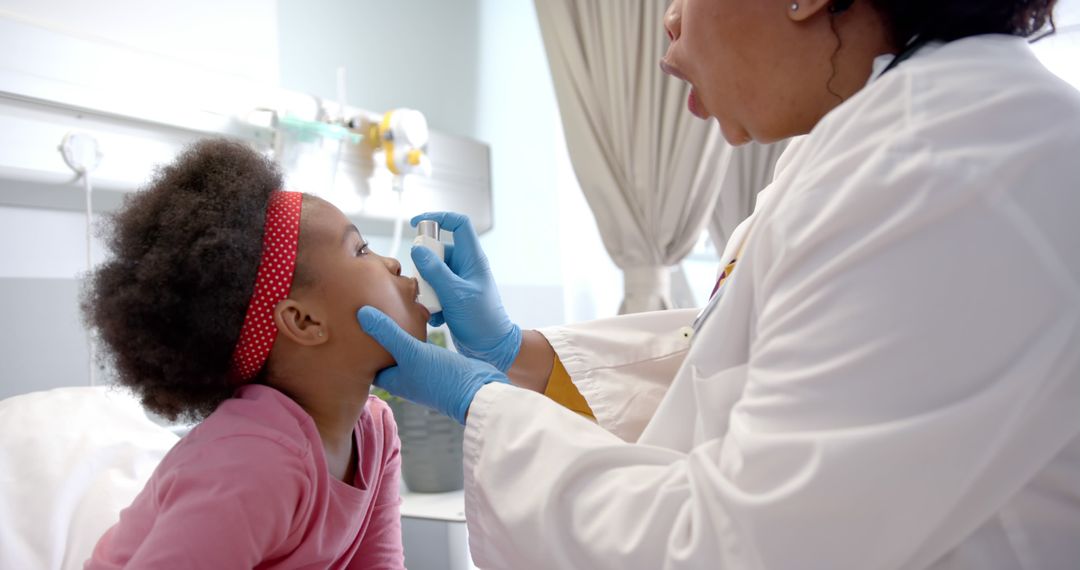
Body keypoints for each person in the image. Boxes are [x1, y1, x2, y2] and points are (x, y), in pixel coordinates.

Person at [356, 0, 1080, 568]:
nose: (668, 23)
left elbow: (748, 544)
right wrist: (520, 355)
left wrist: (481, 402)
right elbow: (738, 364)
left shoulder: (937, 159)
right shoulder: (861, 149)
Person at [83, 139, 417, 568]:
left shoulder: (374, 430)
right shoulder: (254, 461)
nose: (392, 264)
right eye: (361, 249)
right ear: (304, 322)